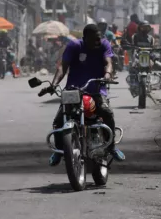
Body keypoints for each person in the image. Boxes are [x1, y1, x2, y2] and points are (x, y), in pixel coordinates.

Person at [48, 24, 124, 166]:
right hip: (73, 90)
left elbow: (108, 63)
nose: (97, 42)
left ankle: (111, 147)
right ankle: (59, 150)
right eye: (94, 39)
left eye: (98, 39)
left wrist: (107, 75)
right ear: (85, 38)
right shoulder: (74, 46)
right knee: (59, 121)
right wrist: (54, 84)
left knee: (107, 113)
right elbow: (62, 67)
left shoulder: (104, 45)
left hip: (96, 89)